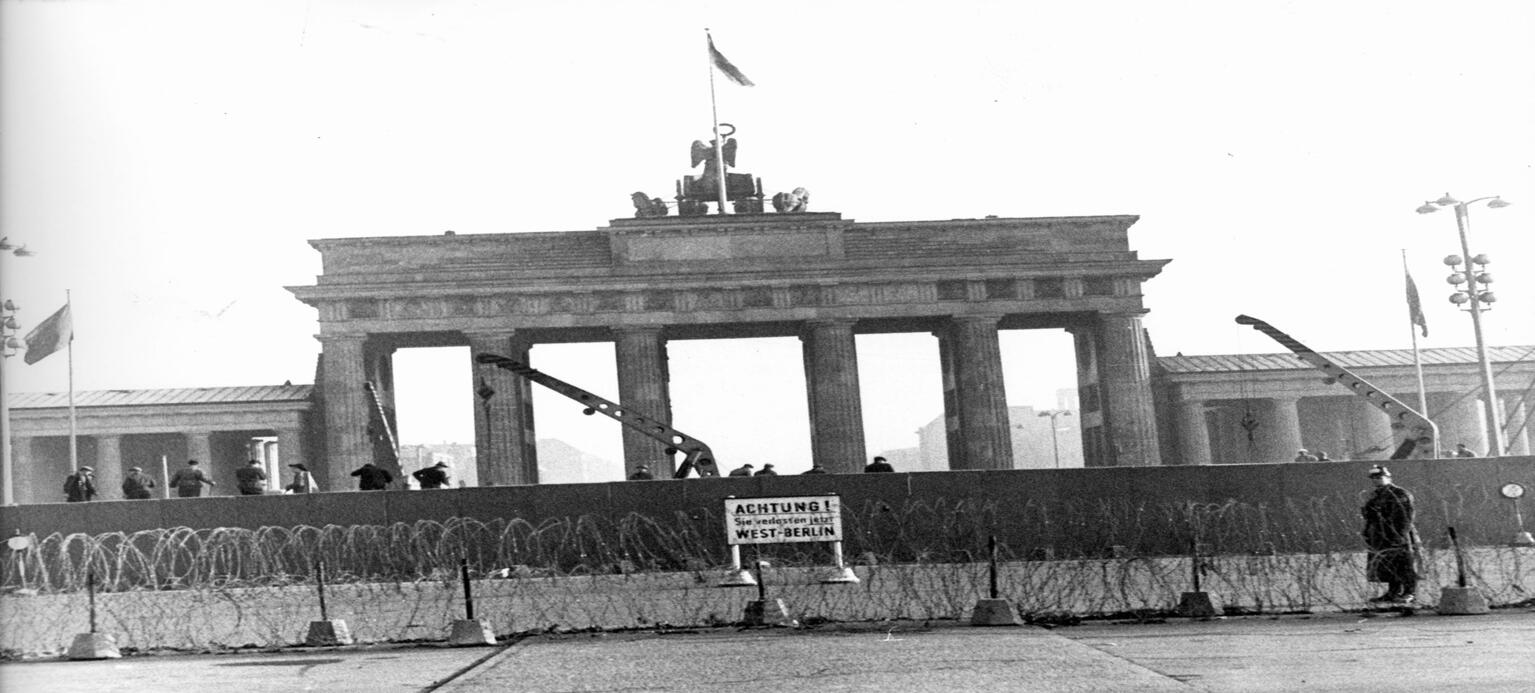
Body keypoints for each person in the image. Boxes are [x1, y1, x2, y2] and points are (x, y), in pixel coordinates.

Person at [1361, 465, 1419, 604]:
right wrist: (1367, 532)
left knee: (1404, 564)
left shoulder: (1399, 494)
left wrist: (1399, 535)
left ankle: (1409, 592)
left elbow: (1405, 516)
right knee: (1388, 565)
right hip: (1380, 535)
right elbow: (1370, 516)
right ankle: (1393, 592)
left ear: (1388, 477)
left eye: (1379, 477)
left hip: (1398, 535)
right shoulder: (1376, 495)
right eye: (1374, 478)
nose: (1376, 480)